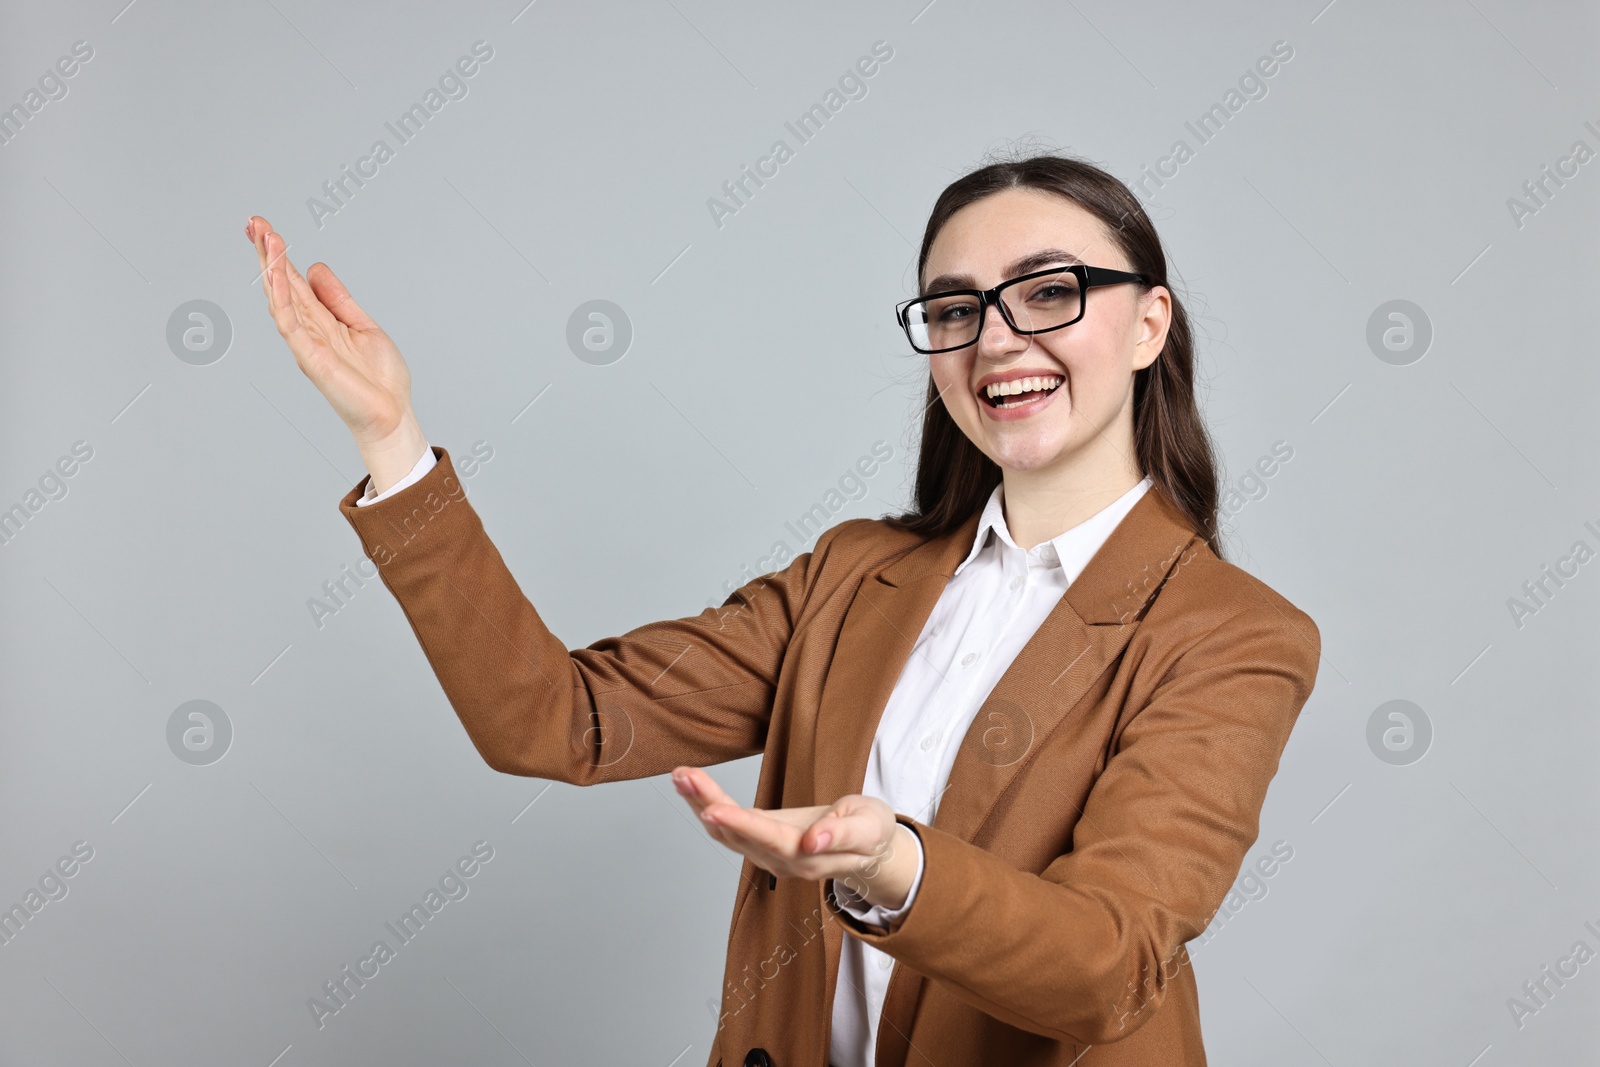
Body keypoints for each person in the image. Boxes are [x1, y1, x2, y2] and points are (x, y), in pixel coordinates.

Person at [245, 150, 1321, 1067]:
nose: (996, 339)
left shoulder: (1231, 634)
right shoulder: (854, 576)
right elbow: (557, 717)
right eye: (956, 308)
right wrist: (392, 441)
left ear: (1147, 323)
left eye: (1049, 292)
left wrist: (890, 864)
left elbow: (1106, 964)